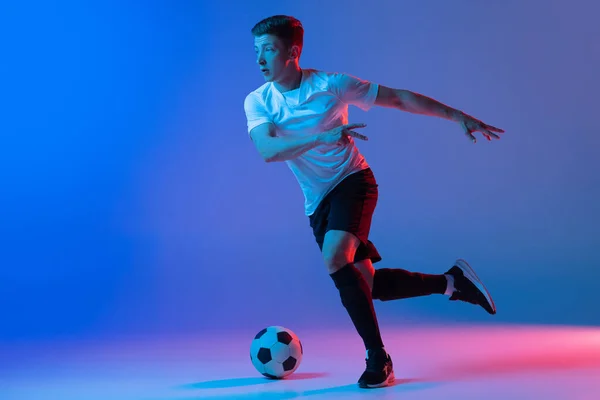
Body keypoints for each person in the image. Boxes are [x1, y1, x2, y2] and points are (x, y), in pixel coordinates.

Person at [243, 15, 503, 389]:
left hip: (353, 182)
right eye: (256, 51)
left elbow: (397, 97)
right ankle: (451, 282)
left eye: (268, 49)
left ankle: (378, 358)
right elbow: (267, 150)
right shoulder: (258, 101)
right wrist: (321, 138)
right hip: (317, 201)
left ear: (292, 52)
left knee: (335, 257)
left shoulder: (331, 85)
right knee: (368, 285)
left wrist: (457, 115)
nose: (260, 59)